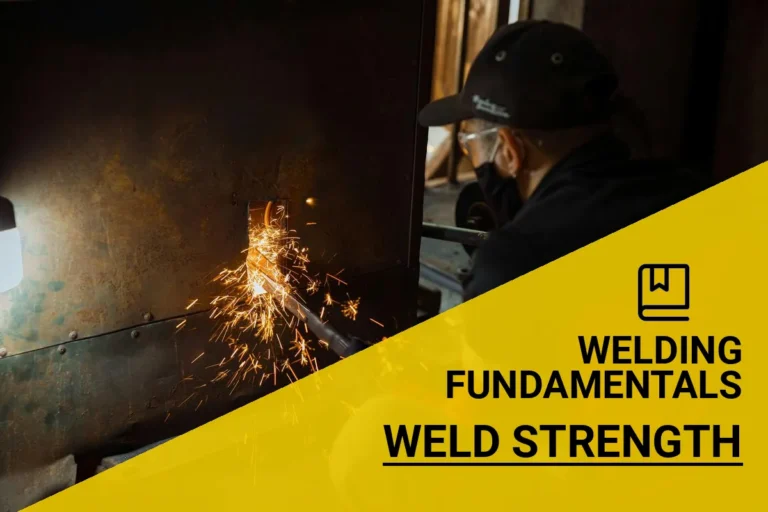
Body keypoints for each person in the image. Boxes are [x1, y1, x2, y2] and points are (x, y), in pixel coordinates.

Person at [418, 20, 708, 301]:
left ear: (510, 149)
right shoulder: (696, 195)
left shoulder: (516, 263)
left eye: (469, 146)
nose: (474, 158)